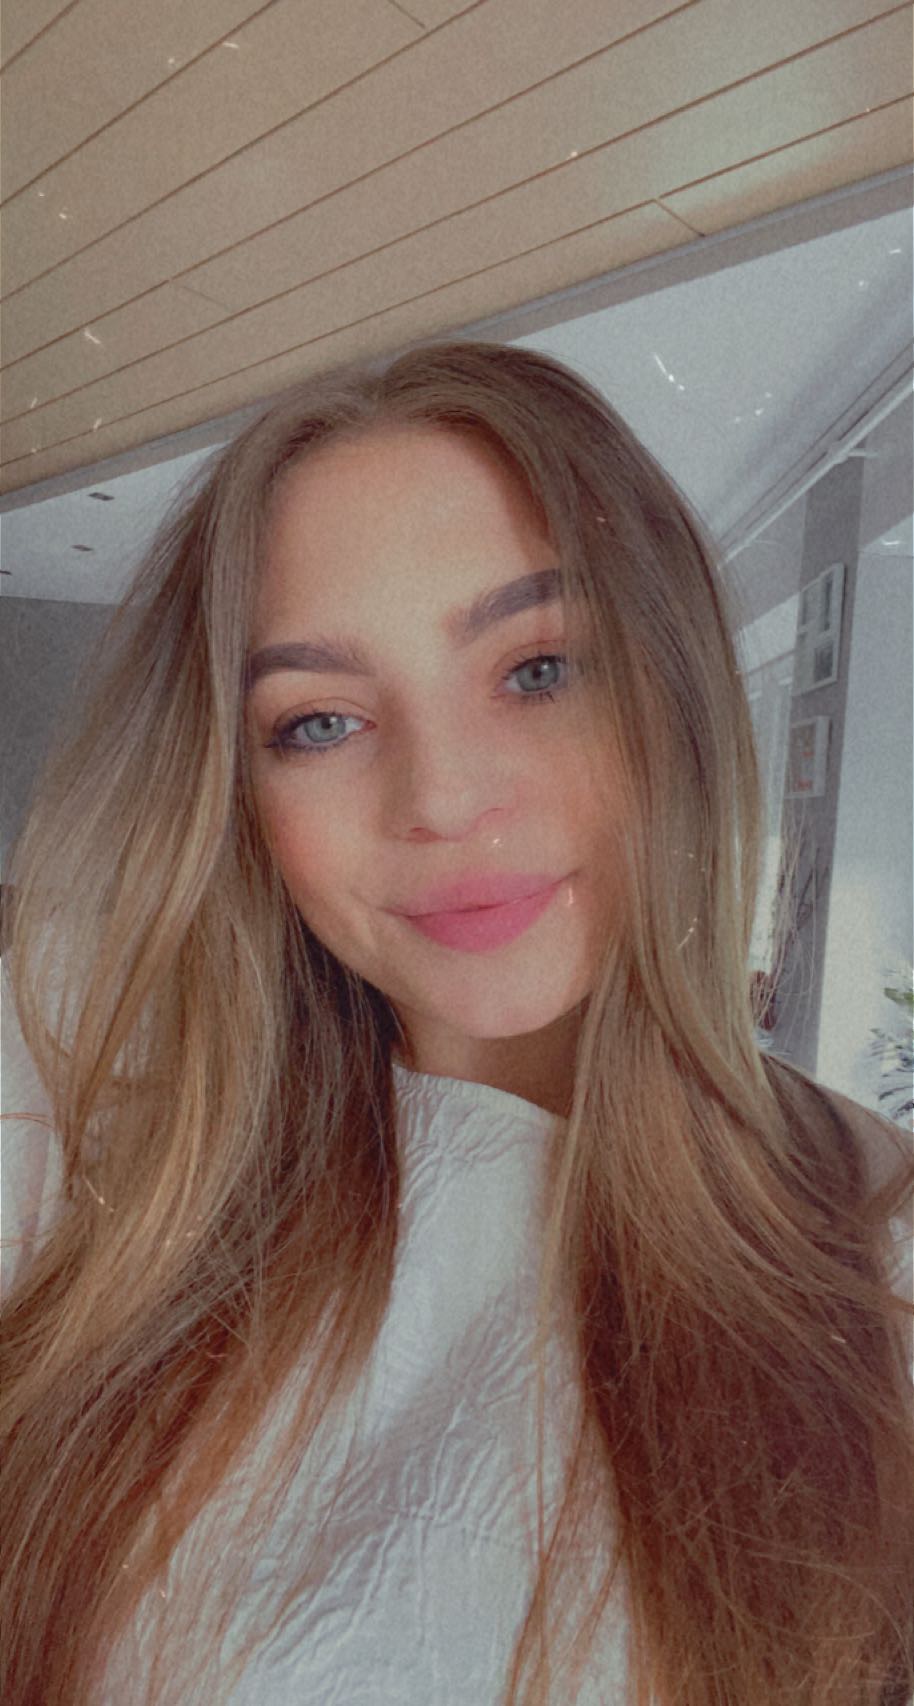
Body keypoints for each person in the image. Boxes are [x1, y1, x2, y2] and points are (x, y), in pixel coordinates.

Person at [1, 339, 911, 1706]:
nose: (440, 798)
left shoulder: (879, 1251)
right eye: (319, 723)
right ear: (239, 792)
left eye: (538, 669)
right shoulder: (90, 1144)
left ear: (672, 690)